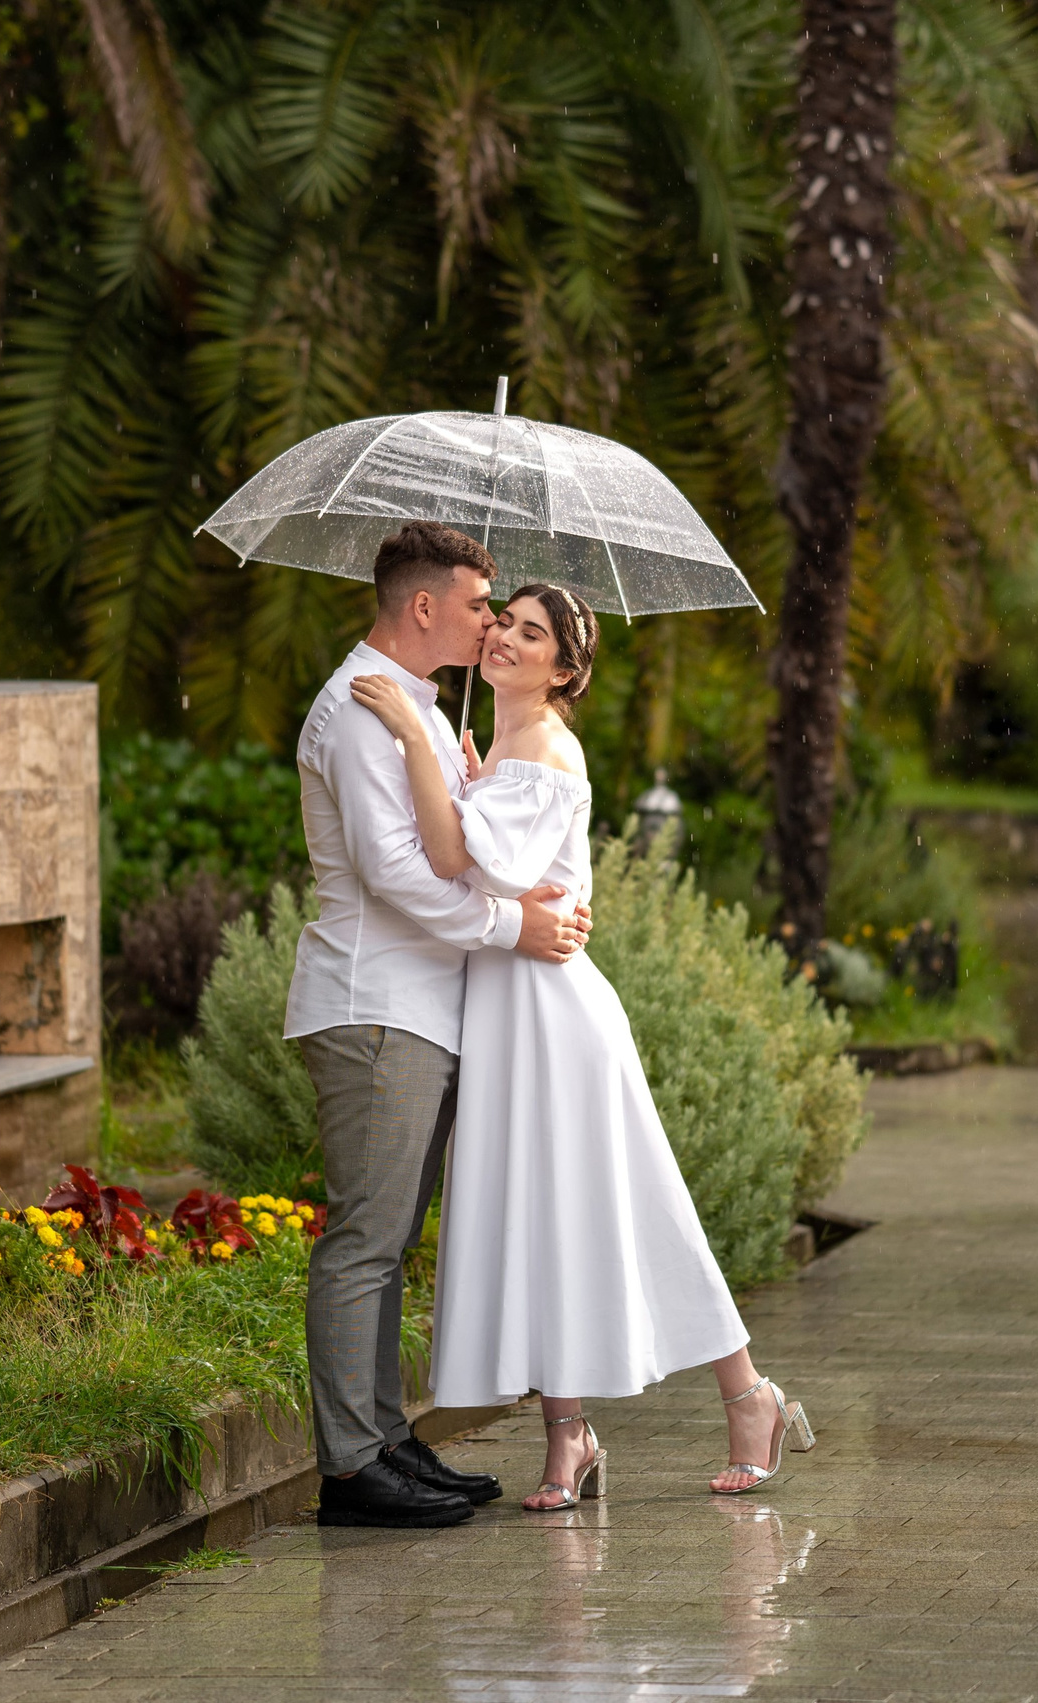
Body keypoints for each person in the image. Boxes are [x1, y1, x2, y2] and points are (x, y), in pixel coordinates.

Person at [350, 582, 816, 1509]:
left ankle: (751, 1397)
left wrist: (413, 737)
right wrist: (465, 774)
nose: (506, 642)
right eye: (505, 624)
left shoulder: (548, 748)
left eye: (533, 635)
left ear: (565, 668)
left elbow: (460, 864)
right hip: (508, 1014)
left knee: (640, 1207)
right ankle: (568, 1438)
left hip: (557, 1017)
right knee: (535, 1221)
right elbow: (494, 861)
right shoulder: (509, 747)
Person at [288, 521, 593, 1529]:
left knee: (389, 1237)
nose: (487, 623)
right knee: (364, 1239)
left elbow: (457, 843)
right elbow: (400, 876)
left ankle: (384, 1437)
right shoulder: (359, 708)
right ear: (424, 606)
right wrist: (520, 924)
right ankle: (350, 1465)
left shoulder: (413, 705)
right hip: (376, 1003)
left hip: (419, 1007)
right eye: (477, 606)